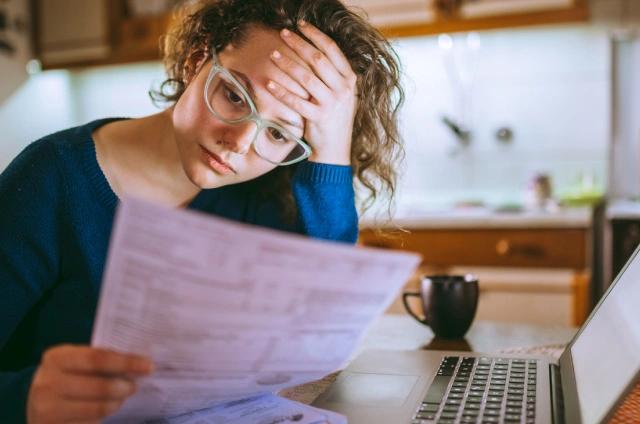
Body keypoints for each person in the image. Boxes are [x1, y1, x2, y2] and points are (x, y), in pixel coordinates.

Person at [0, 0, 404, 422]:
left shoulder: (266, 195)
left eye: (280, 133)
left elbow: (324, 324)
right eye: (233, 95)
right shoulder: (51, 177)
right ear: (197, 60)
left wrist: (332, 149)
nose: (240, 143)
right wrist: (26, 398)